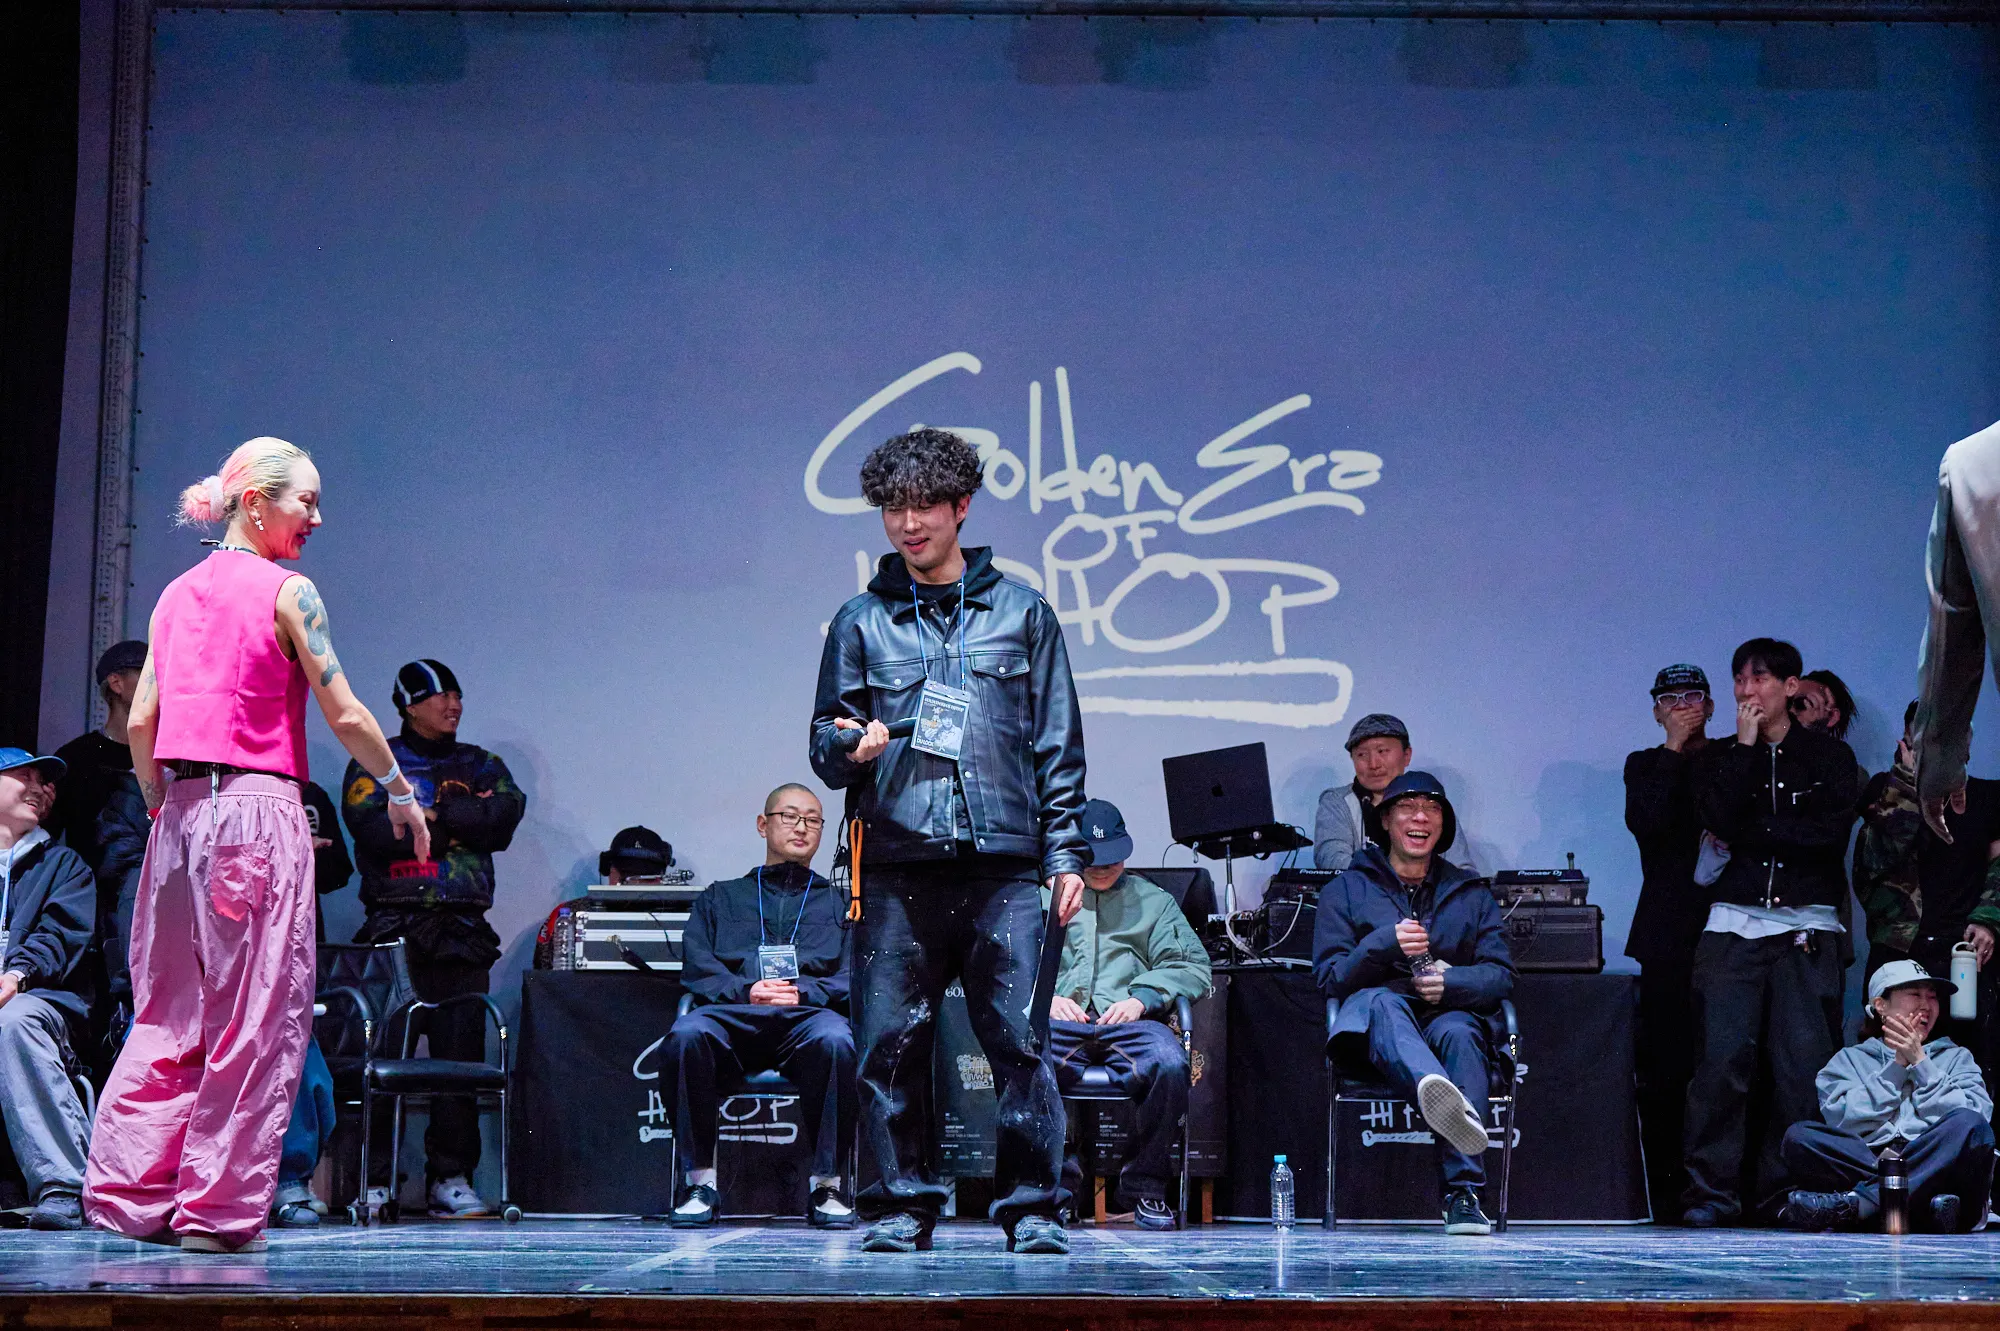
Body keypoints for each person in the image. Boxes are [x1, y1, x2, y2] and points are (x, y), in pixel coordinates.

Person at [83, 437, 430, 1253]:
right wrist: (401, 790)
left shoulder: (173, 594)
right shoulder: (289, 591)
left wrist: (160, 802)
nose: (317, 516)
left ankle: (133, 1196)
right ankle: (214, 1212)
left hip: (178, 819)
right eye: (305, 500)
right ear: (255, 503)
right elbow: (346, 711)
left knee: (169, 1013)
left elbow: (142, 722)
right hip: (255, 812)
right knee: (254, 1017)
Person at [809, 427, 1087, 1255]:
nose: (908, 523)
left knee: (1022, 1043)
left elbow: (1057, 746)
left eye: (924, 505)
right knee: (890, 1048)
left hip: (1005, 867)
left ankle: (1032, 1206)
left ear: (961, 506)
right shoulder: (859, 622)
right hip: (896, 866)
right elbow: (823, 742)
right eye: (893, 508)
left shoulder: (1024, 613)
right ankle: (901, 1205)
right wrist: (849, 747)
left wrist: (1064, 854)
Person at [1681, 637, 1861, 1229]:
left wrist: (1753, 831)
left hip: (1806, 927)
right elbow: (1718, 818)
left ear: (1791, 686)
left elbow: (1827, 836)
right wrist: (1746, 748)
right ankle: (1710, 1195)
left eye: (1759, 678)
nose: (1746, 690)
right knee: (1720, 1065)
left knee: (1802, 1069)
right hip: (1733, 926)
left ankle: (1789, 1193)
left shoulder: (1829, 758)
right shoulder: (1722, 756)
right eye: (1739, 679)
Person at [342, 658, 524, 1220]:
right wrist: (462, 822)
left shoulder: (482, 763)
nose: (454, 705)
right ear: (408, 705)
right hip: (392, 931)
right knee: (382, 1059)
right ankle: (375, 1180)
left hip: (463, 933)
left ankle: (451, 1178)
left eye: (457, 694)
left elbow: (502, 819)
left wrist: (429, 815)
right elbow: (379, 835)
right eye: (440, 696)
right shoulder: (375, 761)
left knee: (460, 1062)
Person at [1312, 771, 1514, 1236]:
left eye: (1432, 808)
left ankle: (1463, 1196)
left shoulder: (1471, 892)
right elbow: (1329, 978)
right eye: (1407, 807)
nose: (1420, 817)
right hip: (1375, 1032)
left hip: (1447, 1016)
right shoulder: (1346, 889)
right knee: (1382, 1003)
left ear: (1443, 824)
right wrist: (1383, 943)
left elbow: (1501, 974)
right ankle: (1434, 1090)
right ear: (1385, 820)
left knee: (1461, 1032)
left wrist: (1451, 983)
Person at [662, 785, 854, 1229]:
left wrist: (805, 993)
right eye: (790, 816)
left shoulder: (841, 904)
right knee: (687, 1034)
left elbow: (853, 975)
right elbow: (698, 966)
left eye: (812, 819)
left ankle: (826, 1186)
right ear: (762, 825)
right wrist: (745, 991)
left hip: (807, 1017)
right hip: (734, 1015)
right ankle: (699, 1184)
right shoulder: (721, 897)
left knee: (837, 1040)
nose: (801, 827)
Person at [1046, 798, 1212, 1230]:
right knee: (1026, 1060)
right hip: (1061, 1021)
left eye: (1112, 859)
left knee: (1170, 1064)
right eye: (1093, 860)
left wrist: (1143, 997)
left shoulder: (1153, 901)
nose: (1103, 868)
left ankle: (1145, 1187)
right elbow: (1008, 963)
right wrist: (1046, 997)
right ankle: (1055, 1190)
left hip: (1130, 1023)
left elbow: (1193, 966)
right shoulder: (1045, 895)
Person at [1777, 960, 1994, 1233]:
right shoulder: (1849, 1060)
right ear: (1881, 1005)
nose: (1926, 1006)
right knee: (1799, 1137)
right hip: (1871, 1158)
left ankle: (1862, 1204)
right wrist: (1897, 1067)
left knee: (1970, 1125)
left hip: (1934, 1159)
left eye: (1932, 997)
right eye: (1915, 994)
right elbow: (1844, 1121)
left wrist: (1921, 1063)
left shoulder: (1956, 1057)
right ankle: (1921, 1207)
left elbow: (1977, 1115)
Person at [1622, 663, 1716, 1222]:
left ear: (1711, 705)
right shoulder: (1644, 764)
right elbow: (1648, 822)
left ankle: (1719, 1189)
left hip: (1727, 927)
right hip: (1665, 934)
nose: (1683, 706)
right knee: (1665, 1068)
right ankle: (1664, 1194)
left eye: (1693, 696)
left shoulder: (1730, 758)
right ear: (1657, 711)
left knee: (1722, 1063)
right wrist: (1674, 750)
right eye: (1671, 699)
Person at [0, 749, 100, 1230]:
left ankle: (62, 1183)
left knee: (13, 1019)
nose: (40, 788)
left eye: (46, 782)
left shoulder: (64, 866)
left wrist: (14, 976)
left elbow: (59, 938)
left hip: (42, 1004)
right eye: (26, 777)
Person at [1313, 713, 1480, 875]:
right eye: (1362, 754)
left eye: (1382, 751)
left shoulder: (1433, 803)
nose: (1373, 764)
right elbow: (1333, 860)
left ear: (1406, 755)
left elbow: (1462, 870)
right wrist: (1392, 884)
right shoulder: (1338, 801)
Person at [47, 640, 147, 868]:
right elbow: (46, 837)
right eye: (149, 677)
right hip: (91, 888)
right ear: (116, 683)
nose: (160, 685)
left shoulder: (166, 755)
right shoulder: (74, 758)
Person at [532, 825, 675, 969]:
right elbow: (544, 973)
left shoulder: (680, 916)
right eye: (626, 876)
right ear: (608, 870)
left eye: (646, 878)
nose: (635, 884)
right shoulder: (567, 915)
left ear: (661, 877)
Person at [1791, 669, 1857, 742]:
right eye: (1788, 703)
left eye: (1801, 704)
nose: (1790, 711)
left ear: (1832, 717)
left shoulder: (1840, 749)